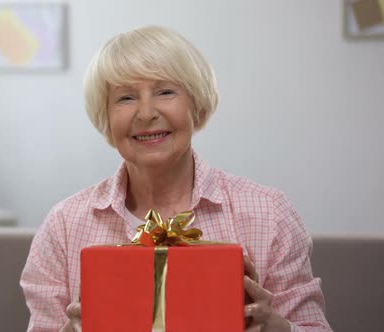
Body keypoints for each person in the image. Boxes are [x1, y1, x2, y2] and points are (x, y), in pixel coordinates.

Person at [20, 25, 331, 332]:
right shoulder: (63, 225)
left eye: (165, 92)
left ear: (195, 104)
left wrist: (276, 327)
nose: (146, 113)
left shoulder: (270, 213)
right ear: (106, 117)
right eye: (126, 98)